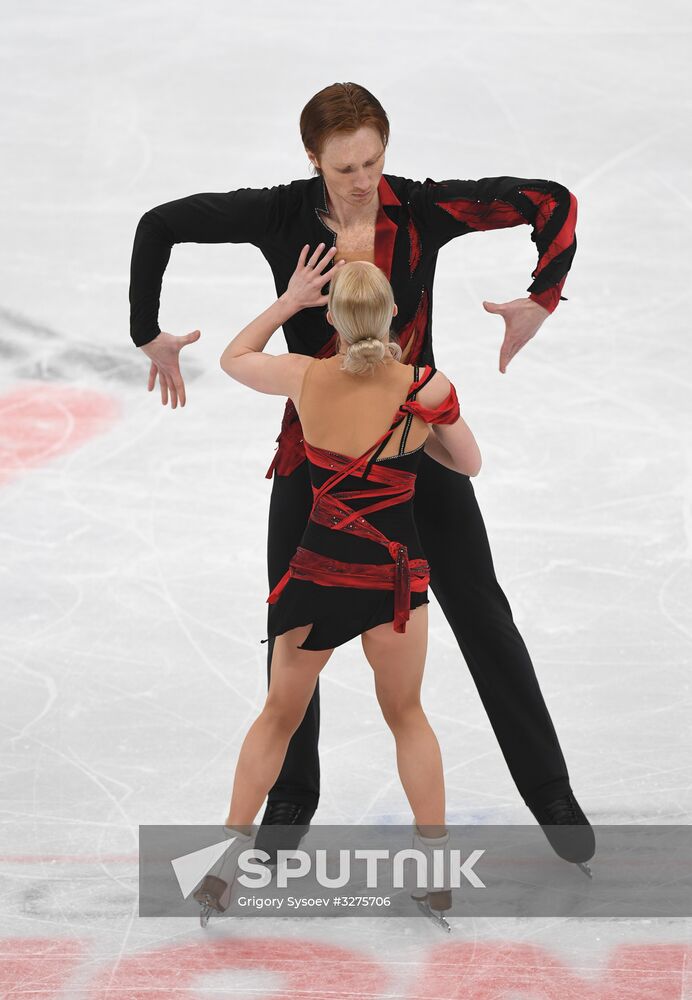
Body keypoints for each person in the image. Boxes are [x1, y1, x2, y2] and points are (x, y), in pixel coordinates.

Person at [129, 81, 594, 871]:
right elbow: (159, 224)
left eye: (373, 161)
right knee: (290, 633)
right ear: (313, 159)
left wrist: (543, 296)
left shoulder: (420, 210)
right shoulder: (280, 214)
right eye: (344, 166)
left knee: (480, 609)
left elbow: (549, 201)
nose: (361, 179)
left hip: (417, 440)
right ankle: (291, 798)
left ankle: (549, 788)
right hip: (316, 458)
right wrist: (149, 332)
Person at [192, 244, 481, 926]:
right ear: (390, 317)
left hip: (320, 571)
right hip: (392, 579)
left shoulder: (307, 377)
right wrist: (420, 436)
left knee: (278, 717)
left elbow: (234, 357)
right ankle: (435, 877)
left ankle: (222, 867)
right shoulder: (425, 387)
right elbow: (469, 463)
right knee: (407, 716)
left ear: (337, 321)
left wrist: (288, 302)